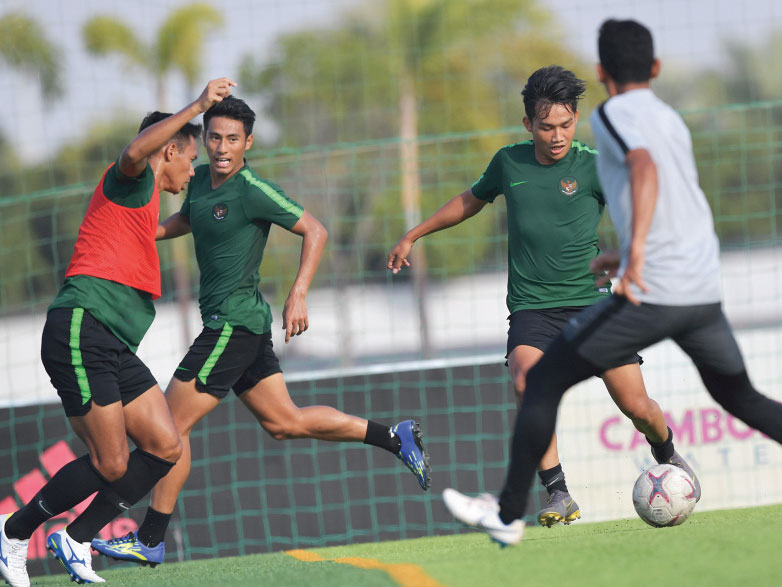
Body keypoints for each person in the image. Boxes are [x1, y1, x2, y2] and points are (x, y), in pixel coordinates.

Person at [442, 19, 782, 547]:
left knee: (544, 384)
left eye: (565, 123)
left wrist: (635, 256)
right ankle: (549, 496)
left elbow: (643, 170)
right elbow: (672, 190)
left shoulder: (615, 115)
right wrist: (631, 249)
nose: (557, 134)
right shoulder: (670, 118)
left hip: (654, 292)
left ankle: (508, 515)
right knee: (743, 399)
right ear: (657, 68)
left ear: (601, 74)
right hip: (700, 289)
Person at [90, 95, 431, 567]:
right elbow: (189, 220)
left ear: (248, 142)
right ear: (204, 139)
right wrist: (143, 232)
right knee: (283, 422)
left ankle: (149, 538)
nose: (222, 148)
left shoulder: (252, 188)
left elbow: (316, 230)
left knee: (168, 430)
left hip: (233, 327)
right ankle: (394, 436)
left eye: (233, 139)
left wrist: (299, 293)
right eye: (214, 137)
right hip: (241, 327)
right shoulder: (201, 180)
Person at [388, 65, 698, 529]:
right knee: (525, 383)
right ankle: (558, 492)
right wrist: (415, 234)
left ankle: (668, 451)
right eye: (547, 126)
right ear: (528, 124)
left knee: (637, 408)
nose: (557, 136)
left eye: (566, 125)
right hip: (534, 309)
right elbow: (470, 200)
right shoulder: (509, 163)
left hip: (593, 306)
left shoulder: (595, 165)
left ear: (577, 119)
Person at [0, 78, 235, 587]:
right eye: (189, 159)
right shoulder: (132, 177)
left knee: (166, 445)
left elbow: (171, 225)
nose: (191, 170)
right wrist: (196, 105)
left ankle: (77, 537)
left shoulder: (147, 203)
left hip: (112, 343)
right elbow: (134, 150)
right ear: (169, 149)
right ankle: (14, 532)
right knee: (111, 463)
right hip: (83, 327)